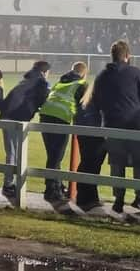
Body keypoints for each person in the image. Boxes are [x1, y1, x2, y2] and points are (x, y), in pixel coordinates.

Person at [93, 40, 140, 214]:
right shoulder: (136, 73)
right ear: (127, 56)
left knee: (117, 163)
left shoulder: (102, 75)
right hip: (136, 124)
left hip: (112, 125)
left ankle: (118, 199)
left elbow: (96, 101)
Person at [38, 62, 88, 202]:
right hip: (60, 117)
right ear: (84, 73)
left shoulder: (61, 81)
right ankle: (51, 190)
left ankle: (57, 185)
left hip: (45, 115)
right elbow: (82, 108)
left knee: (52, 155)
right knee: (56, 156)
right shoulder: (81, 84)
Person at [0, 61, 51, 198]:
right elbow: (44, 100)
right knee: (14, 153)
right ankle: (8, 185)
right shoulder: (40, 82)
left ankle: (10, 183)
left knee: (13, 152)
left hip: (7, 115)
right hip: (16, 117)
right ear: (45, 72)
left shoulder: (27, 79)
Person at [75, 84, 106, 211]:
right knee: (93, 165)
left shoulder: (84, 100)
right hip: (95, 134)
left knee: (86, 163)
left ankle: (86, 197)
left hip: (83, 132)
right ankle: (88, 198)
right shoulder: (99, 99)